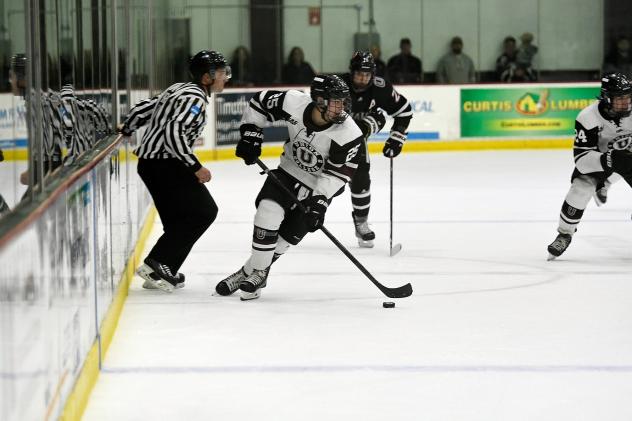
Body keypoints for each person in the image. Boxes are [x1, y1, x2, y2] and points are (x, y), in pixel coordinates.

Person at [214, 74, 363, 300]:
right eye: (336, 102)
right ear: (319, 100)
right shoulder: (293, 102)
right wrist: (251, 133)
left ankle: (247, 272)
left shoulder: (349, 133)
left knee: (284, 239)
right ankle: (260, 274)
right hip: (286, 172)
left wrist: (320, 201)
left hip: (316, 187)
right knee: (267, 213)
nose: (341, 108)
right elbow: (260, 102)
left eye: (343, 102)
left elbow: (338, 173)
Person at [120, 50, 229, 292]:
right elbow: (173, 133)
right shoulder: (195, 99)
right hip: (165, 164)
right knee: (204, 212)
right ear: (207, 77)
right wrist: (196, 167)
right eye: (221, 73)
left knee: (178, 220)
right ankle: (157, 263)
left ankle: (162, 268)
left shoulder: (178, 88)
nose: (225, 77)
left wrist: (126, 127)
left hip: (151, 164)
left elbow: (142, 109)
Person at [547, 73, 632, 260]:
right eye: (620, 99)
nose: (625, 103)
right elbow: (581, 158)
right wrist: (607, 160)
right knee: (581, 188)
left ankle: (606, 185)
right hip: (600, 159)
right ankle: (565, 234)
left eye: (628, 97)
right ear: (607, 97)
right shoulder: (588, 117)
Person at [341, 51, 413, 247]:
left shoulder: (380, 88)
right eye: (359, 74)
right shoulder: (338, 85)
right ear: (351, 72)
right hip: (328, 137)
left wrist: (397, 137)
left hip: (356, 140)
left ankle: (361, 222)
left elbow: (404, 112)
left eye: (367, 74)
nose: (363, 79)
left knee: (361, 176)